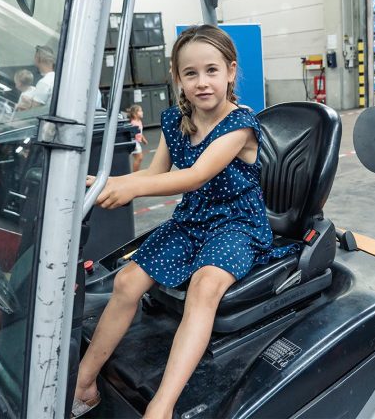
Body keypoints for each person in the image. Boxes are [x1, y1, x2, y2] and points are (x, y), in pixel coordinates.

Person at [72, 25, 297, 419]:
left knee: (205, 284)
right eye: (190, 73)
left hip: (236, 224)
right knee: (126, 281)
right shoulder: (178, 119)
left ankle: (162, 406)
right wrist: (107, 183)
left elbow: (195, 176)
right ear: (178, 78)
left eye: (211, 71)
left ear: (230, 72)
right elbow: (154, 171)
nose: (202, 82)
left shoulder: (240, 123)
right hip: (192, 220)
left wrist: (132, 192)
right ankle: (84, 383)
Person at [127, 104, 148, 172]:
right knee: (139, 157)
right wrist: (134, 144)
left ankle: (136, 171)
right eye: (140, 111)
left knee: (139, 158)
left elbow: (140, 132)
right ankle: (135, 172)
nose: (142, 112)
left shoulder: (139, 121)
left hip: (137, 142)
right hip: (134, 142)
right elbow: (132, 134)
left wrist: (143, 139)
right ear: (135, 113)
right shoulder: (133, 123)